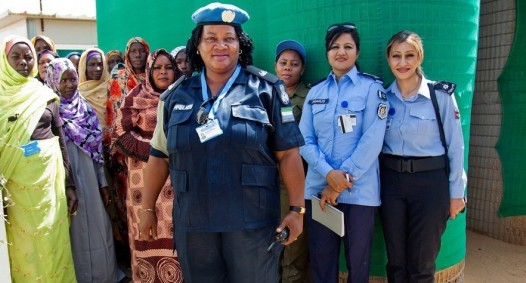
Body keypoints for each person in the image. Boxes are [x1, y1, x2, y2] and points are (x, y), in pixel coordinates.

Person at [139, 3, 306, 282]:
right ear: (197, 46)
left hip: (251, 224)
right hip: (194, 226)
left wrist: (296, 210)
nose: (221, 45)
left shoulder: (267, 90)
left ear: (240, 45)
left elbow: (289, 154)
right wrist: (147, 209)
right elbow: (159, 156)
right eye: (211, 38)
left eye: (229, 38)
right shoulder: (174, 97)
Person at [0, 36, 77, 282]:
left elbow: (60, 138)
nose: (23, 62)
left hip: (49, 183)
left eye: (28, 57)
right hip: (15, 187)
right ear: (5, 60)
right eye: (17, 57)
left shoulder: (43, 94)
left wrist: (70, 183)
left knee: (52, 239)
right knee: (24, 245)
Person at [299, 23, 388, 282]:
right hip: (319, 191)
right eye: (335, 47)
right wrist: (328, 174)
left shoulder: (372, 89)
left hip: (359, 193)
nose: (341, 52)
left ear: (357, 52)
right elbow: (304, 139)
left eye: (348, 46)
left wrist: (339, 182)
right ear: (327, 53)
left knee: (358, 264)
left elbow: (373, 139)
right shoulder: (315, 92)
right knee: (321, 260)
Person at [379, 30, 466, 283]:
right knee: (396, 261)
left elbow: (456, 147)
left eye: (409, 55)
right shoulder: (382, 97)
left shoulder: (440, 96)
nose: (402, 63)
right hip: (391, 183)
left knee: (422, 262)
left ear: (419, 58)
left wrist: (456, 193)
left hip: (431, 185)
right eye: (396, 56)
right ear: (388, 59)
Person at [44, 58, 126, 283]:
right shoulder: (50, 111)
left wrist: (102, 183)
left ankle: (103, 275)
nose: (69, 85)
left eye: (72, 79)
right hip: (65, 180)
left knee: (98, 225)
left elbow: (97, 151)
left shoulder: (84, 108)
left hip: (90, 178)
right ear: (53, 81)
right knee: (74, 231)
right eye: (64, 80)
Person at [110, 48, 183, 283]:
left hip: (175, 178)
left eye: (168, 67)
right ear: (150, 71)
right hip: (143, 180)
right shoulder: (135, 96)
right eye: (158, 68)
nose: (163, 72)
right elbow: (120, 131)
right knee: (146, 230)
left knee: (174, 231)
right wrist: (155, 151)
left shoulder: (183, 96)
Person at [105, 37, 150, 267]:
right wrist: (124, 145)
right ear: (127, 54)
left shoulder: (154, 74)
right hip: (126, 151)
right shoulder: (120, 77)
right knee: (129, 201)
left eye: (141, 51)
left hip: (152, 150)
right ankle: (131, 251)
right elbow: (114, 110)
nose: (137, 56)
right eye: (133, 52)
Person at [274, 39, 311, 283]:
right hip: (264, 180)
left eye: (294, 64)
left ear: (302, 69)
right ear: (275, 66)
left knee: (292, 242)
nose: (288, 68)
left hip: (293, 182)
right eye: (283, 63)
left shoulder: (309, 96)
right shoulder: (265, 93)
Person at [78, 48, 109, 129]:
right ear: (84, 67)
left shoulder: (112, 87)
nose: (97, 69)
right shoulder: (77, 93)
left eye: (100, 64)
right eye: (92, 65)